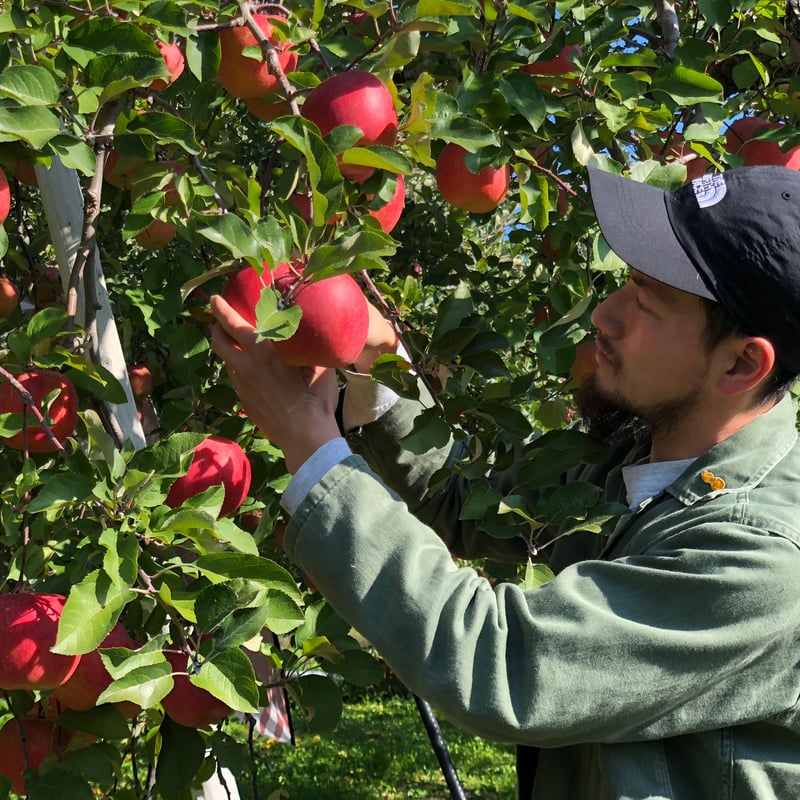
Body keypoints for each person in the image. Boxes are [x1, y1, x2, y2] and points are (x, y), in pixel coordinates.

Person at [209, 164, 800, 799]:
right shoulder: (632, 460)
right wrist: (373, 362)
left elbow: (502, 661)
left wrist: (310, 444)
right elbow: (467, 500)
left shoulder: (761, 559)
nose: (603, 314)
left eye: (646, 303)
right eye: (625, 283)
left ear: (742, 363)